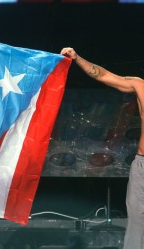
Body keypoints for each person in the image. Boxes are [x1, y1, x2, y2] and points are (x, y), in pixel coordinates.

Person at [60, 47, 144, 249]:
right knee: (136, 220)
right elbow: (104, 75)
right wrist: (77, 58)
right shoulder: (140, 86)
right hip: (142, 164)